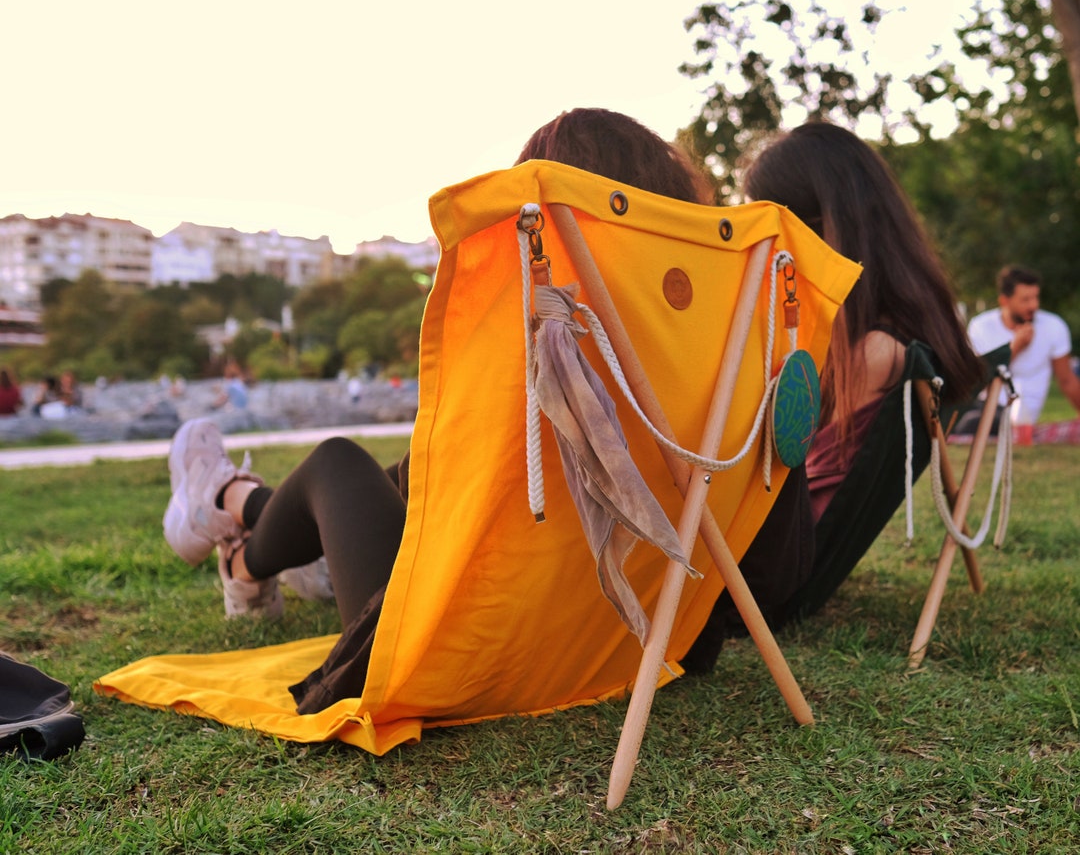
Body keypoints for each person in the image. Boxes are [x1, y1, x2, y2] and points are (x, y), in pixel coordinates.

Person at [162, 108, 729, 710]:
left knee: (338, 464)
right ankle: (259, 520)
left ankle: (237, 536)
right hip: (628, 641)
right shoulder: (705, 348)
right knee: (413, 473)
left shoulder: (543, 330)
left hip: (456, 662)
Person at [681, 122, 986, 671]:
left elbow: (796, 491)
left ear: (817, 228)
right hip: (777, 563)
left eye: (773, 225)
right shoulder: (893, 334)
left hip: (765, 582)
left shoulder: (873, 352)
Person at [967, 265, 1080, 440]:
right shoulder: (980, 326)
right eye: (1025, 300)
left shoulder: (1053, 326)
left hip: (1020, 415)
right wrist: (1014, 348)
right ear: (1004, 301)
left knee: (973, 424)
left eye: (1035, 297)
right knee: (969, 420)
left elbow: (1067, 380)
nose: (1034, 305)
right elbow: (978, 381)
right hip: (987, 406)